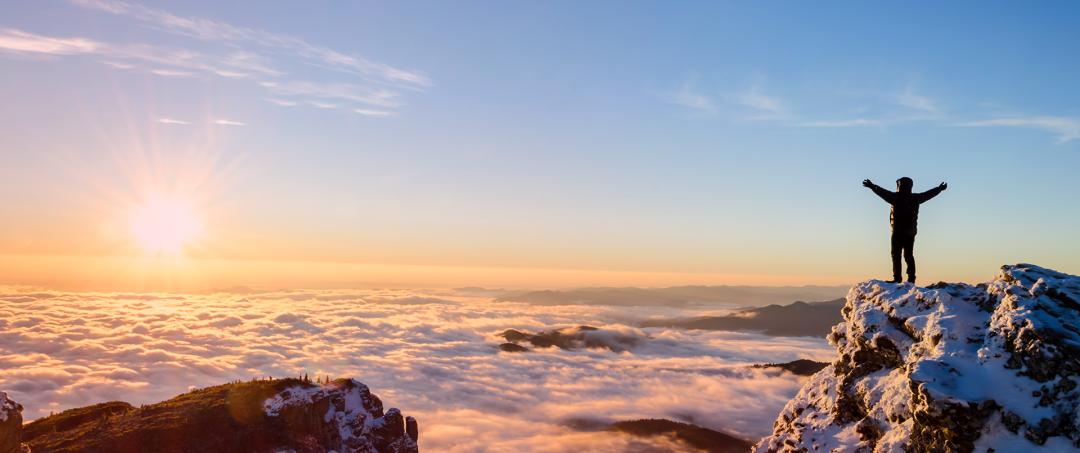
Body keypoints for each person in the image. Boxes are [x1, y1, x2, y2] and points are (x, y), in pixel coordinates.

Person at [862, 177, 947, 284]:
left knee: (896, 254)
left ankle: (898, 278)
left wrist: (872, 186)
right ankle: (911, 278)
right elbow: (928, 194)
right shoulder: (915, 198)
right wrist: (939, 189)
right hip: (910, 232)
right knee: (908, 255)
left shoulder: (895, 197)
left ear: (899, 186)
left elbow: (882, 192)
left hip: (897, 231)